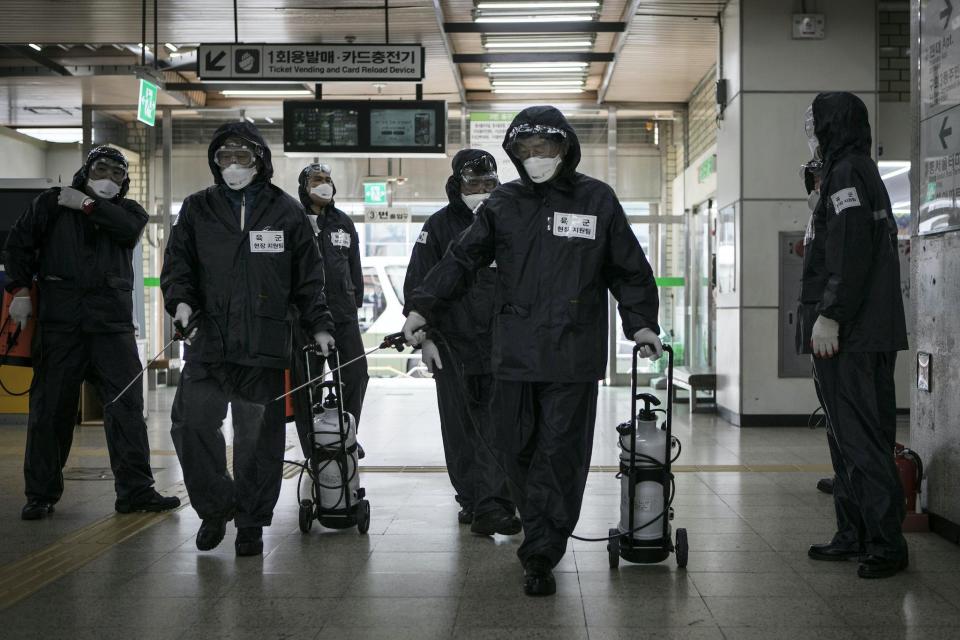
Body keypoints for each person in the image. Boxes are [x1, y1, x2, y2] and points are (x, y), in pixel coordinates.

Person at [403, 106, 662, 596]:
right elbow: (462, 258)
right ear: (515, 154)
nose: (536, 158)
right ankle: (538, 527)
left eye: (545, 149)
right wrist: (422, 310)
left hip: (573, 352)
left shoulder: (596, 200)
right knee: (515, 451)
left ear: (565, 149)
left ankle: (541, 550)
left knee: (560, 452)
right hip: (515, 354)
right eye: (526, 150)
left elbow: (628, 267)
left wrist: (642, 324)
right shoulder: (505, 203)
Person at [161, 122, 335, 557]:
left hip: (265, 344)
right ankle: (217, 507)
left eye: (243, 158)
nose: (234, 167)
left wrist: (320, 324)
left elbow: (309, 279)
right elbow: (178, 265)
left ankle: (252, 522)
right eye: (225, 159)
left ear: (260, 162)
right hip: (208, 342)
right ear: (214, 163)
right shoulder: (197, 209)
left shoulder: (286, 211)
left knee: (257, 437)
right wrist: (180, 303)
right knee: (191, 423)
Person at [4, 146, 180, 520]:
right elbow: (18, 244)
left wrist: (85, 205)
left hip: (111, 327)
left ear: (125, 183)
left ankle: (136, 490)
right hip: (60, 325)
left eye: (118, 174)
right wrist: (19, 290)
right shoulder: (50, 204)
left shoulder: (129, 212)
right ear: (85, 170)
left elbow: (128, 231)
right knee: (51, 411)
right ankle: (40, 494)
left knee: (127, 408)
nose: (109, 178)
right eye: (102, 169)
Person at [797, 92, 909, 579]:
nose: (812, 134)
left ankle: (885, 544)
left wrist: (831, 314)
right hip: (863, 333)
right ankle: (854, 534)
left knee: (860, 440)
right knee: (849, 438)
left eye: (816, 125)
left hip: (854, 336)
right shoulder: (856, 171)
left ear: (835, 127)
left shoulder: (847, 174)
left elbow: (851, 251)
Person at [403, 149, 521, 535]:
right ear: (457, 185)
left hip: (503, 345)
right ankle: (471, 499)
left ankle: (495, 504)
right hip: (451, 346)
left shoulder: (510, 221)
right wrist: (427, 339)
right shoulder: (437, 226)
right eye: (474, 184)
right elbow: (420, 283)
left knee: (498, 426)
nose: (482, 191)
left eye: (489, 183)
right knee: (459, 428)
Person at [290, 163, 367, 451]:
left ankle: (347, 435)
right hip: (304, 319)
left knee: (356, 374)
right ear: (304, 186)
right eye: (317, 179)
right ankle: (314, 443)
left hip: (343, 315)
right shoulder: (293, 219)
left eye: (328, 179)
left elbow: (354, 265)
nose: (324, 184)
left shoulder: (342, 222)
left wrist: (354, 300)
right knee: (307, 384)